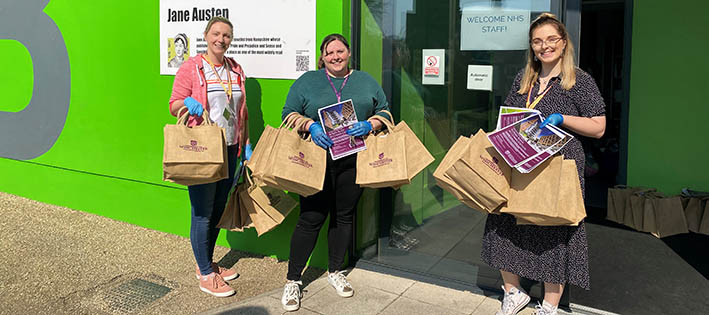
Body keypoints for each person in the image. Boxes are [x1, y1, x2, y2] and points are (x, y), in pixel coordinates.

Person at [481, 13, 606, 315]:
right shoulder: (524, 80)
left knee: (554, 232)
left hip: (559, 167)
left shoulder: (578, 80)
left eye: (551, 39)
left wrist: (563, 119)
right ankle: (513, 292)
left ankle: (549, 304)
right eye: (538, 41)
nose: (544, 46)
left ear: (563, 43)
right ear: (532, 47)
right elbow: (508, 116)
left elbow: (599, 127)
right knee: (503, 223)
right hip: (521, 164)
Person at [279, 33, 390, 312]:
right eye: (330, 53)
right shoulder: (308, 81)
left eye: (340, 51)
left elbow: (386, 112)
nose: (335, 57)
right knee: (310, 218)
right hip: (315, 161)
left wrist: (370, 125)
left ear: (349, 53)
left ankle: (335, 271)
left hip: (353, 161)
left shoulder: (366, 81)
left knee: (344, 217)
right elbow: (288, 113)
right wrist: (311, 126)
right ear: (322, 56)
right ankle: (293, 280)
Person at [168, 16, 251, 298]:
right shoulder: (192, 67)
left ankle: (207, 262)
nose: (221, 39)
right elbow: (173, 104)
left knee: (217, 210)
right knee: (202, 212)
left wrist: (245, 143)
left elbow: (242, 110)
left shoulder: (235, 69)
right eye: (216, 33)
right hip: (203, 149)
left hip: (229, 149)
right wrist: (188, 103)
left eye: (226, 35)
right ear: (206, 35)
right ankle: (205, 274)